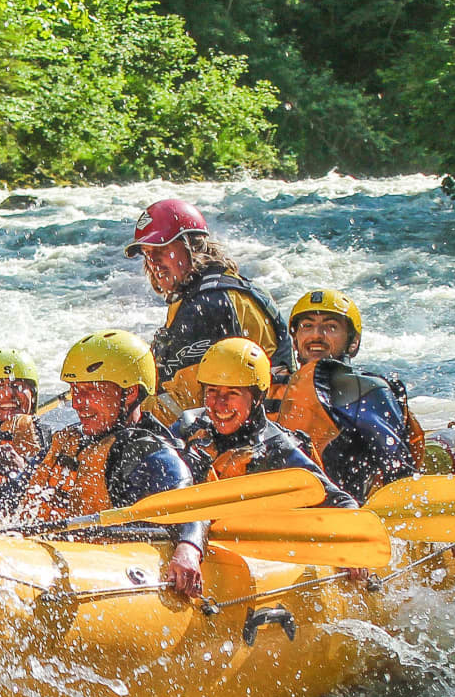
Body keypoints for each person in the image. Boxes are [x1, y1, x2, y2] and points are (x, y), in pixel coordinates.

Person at [1, 330, 206, 599]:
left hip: (102, 579)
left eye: (89, 391)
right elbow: (14, 496)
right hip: (38, 557)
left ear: (130, 392)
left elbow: (191, 503)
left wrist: (188, 548)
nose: (77, 403)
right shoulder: (71, 439)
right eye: (74, 391)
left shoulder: (144, 452)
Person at [125, 197, 293, 415]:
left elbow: (187, 405)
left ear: (192, 246)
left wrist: (121, 408)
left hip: (251, 434)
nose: (153, 261)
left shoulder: (207, 306)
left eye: (162, 249)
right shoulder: (216, 288)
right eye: (147, 253)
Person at [267, 289, 425, 502]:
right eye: (307, 326)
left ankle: (451, 446)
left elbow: (399, 470)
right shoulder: (266, 386)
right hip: (279, 503)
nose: (316, 335)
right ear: (294, 340)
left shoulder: (366, 390)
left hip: (343, 507)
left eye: (331, 327)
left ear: (353, 342)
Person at [171, 339, 351, 504]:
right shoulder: (189, 425)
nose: (220, 403)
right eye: (212, 391)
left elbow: (342, 503)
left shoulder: (280, 450)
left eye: (233, 393)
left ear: (258, 397)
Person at [0, 349, 46, 491]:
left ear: (33, 394)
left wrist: (24, 471)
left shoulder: (53, 442)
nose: (8, 394)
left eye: (17, 386)